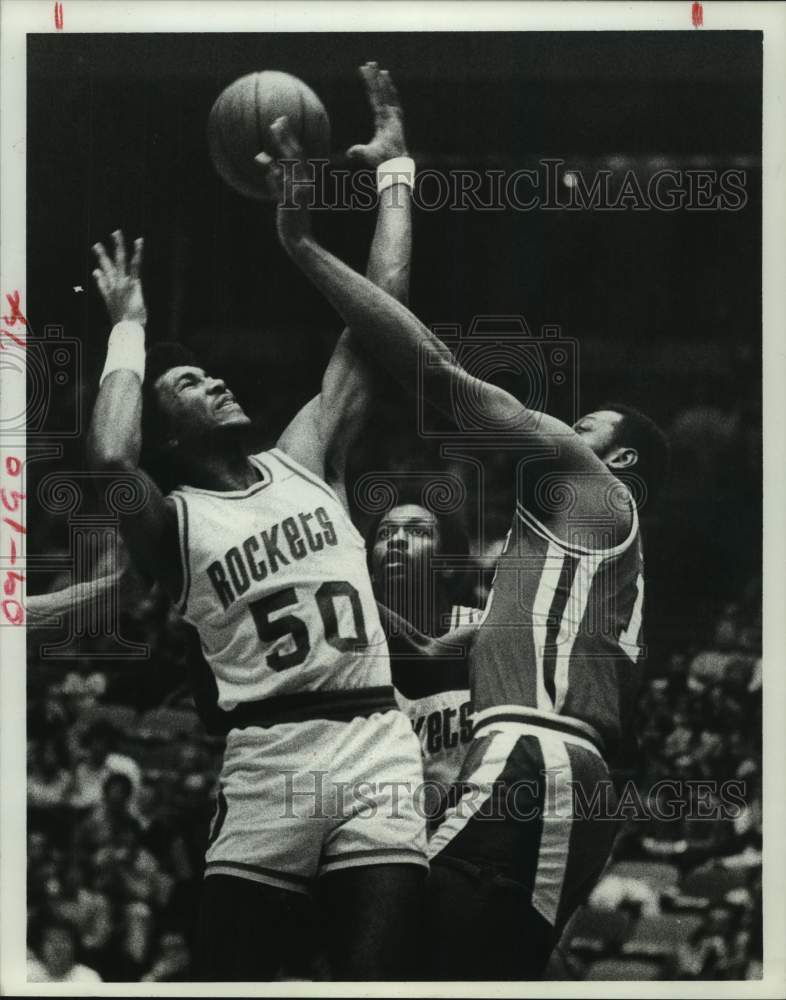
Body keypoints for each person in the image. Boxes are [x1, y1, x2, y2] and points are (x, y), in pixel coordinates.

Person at [258, 116, 669, 979]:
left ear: (616, 455)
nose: (567, 425)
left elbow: (434, 375)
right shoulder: (573, 567)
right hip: (555, 769)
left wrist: (301, 245)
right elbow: (446, 646)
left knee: (398, 959)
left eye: (586, 423)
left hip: (532, 756)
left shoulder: (590, 485)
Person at [85, 64, 426, 981]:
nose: (216, 380)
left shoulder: (306, 455)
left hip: (375, 745)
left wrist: (395, 174)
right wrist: (131, 328)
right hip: (267, 760)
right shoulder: (172, 521)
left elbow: (382, 317)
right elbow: (111, 463)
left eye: (209, 373)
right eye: (189, 385)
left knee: (378, 978)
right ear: (170, 431)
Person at [367, 500, 481, 823]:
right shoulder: (359, 652)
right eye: (384, 533)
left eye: (417, 532)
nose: (397, 540)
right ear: (371, 573)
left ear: (447, 564)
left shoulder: (483, 631)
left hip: (475, 829)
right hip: (391, 828)